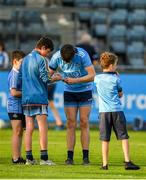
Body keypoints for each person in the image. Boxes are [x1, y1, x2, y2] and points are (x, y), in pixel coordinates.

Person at [49, 44, 96, 165]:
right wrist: (56, 78)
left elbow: (92, 75)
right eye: (65, 62)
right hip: (69, 92)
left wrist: (76, 80)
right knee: (70, 123)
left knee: (84, 122)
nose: (68, 63)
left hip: (85, 90)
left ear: (74, 54)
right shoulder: (56, 57)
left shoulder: (82, 54)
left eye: (69, 61)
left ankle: (86, 157)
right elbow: (47, 76)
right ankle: (69, 157)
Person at [18, 36, 62, 165]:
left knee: (29, 128)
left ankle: (29, 158)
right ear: (42, 48)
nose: (48, 54)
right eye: (48, 51)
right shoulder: (42, 59)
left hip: (26, 98)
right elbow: (45, 79)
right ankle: (44, 158)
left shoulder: (24, 60)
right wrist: (56, 77)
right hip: (39, 97)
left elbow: (21, 78)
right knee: (43, 127)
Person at [94, 52, 140, 170]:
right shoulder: (116, 79)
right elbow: (120, 94)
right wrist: (116, 76)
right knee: (123, 136)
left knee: (105, 139)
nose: (116, 67)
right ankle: (127, 161)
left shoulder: (97, 78)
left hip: (103, 112)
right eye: (115, 65)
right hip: (116, 111)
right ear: (110, 66)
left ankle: (105, 164)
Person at [7, 50, 26, 164]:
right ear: (15, 61)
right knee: (17, 131)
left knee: (20, 132)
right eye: (22, 62)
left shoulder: (18, 73)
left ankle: (18, 157)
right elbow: (14, 93)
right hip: (14, 106)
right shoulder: (14, 74)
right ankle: (15, 158)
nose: (23, 65)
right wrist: (28, 92)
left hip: (19, 105)